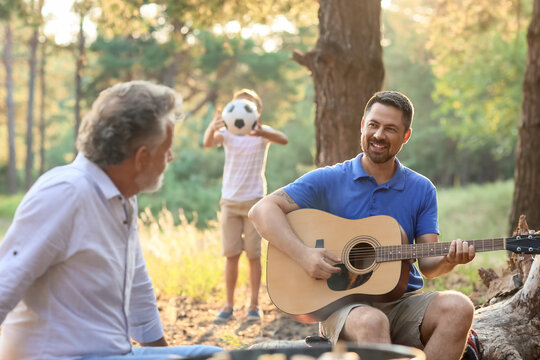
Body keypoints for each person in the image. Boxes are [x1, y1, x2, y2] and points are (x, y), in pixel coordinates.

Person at [0, 81, 223, 360]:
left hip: (112, 354)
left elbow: (138, 286)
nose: (171, 157)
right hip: (61, 356)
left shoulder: (123, 196)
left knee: (215, 356)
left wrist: (161, 356)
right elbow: (5, 282)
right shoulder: (66, 193)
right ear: (142, 157)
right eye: (166, 150)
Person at [248, 91, 476, 360]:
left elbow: (428, 264)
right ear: (363, 126)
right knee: (372, 321)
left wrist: (449, 260)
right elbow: (261, 210)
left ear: (406, 136)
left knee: (459, 306)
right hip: (343, 307)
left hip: (403, 301)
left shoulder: (421, 189)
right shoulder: (330, 179)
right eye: (373, 125)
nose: (379, 135)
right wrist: (304, 254)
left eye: (390, 129)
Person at [203, 89, 288, 323]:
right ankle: (228, 305)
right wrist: (213, 126)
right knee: (231, 255)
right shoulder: (228, 134)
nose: (242, 110)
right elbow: (208, 143)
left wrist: (263, 130)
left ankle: (253, 305)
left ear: (257, 112)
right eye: (238, 105)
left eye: (248, 106)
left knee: (253, 255)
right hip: (230, 202)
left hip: (254, 203)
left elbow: (283, 139)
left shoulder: (262, 135)